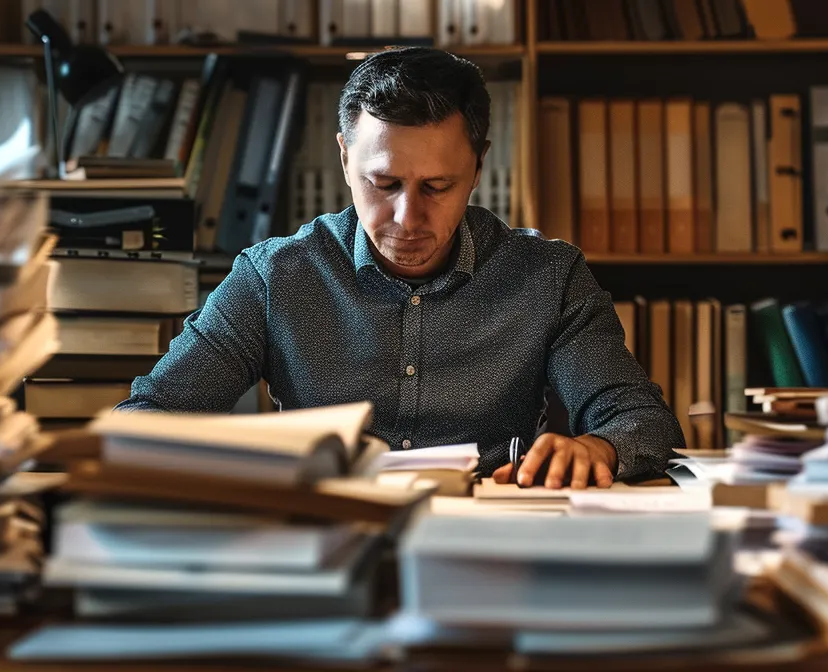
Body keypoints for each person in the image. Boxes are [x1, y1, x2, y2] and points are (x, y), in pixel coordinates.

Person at [117, 47, 684, 489]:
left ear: (479, 165)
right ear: (344, 157)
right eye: (383, 184)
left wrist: (598, 449)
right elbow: (149, 418)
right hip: (323, 530)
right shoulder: (275, 277)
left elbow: (643, 421)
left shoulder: (549, 277)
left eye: (437, 186)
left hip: (488, 534)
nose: (407, 218)